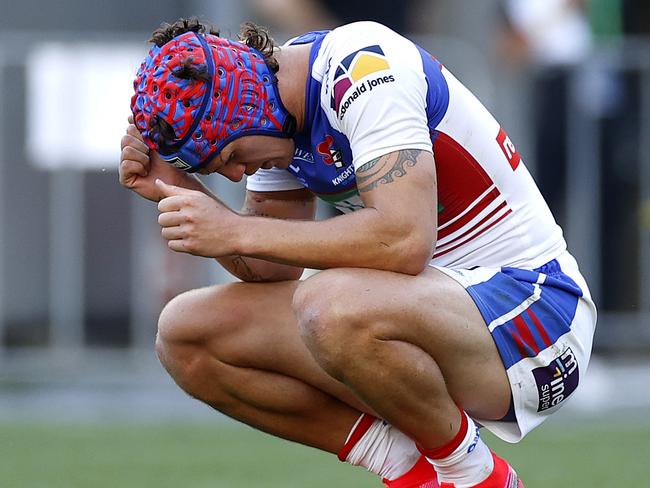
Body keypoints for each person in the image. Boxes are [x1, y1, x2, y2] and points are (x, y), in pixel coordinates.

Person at [120, 17, 597, 488]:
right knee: (187, 333)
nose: (234, 176)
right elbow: (269, 270)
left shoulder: (362, 68)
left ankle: (472, 476)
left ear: (246, 103)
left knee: (328, 305)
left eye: (228, 157)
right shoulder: (270, 115)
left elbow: (404, 241)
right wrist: (174, 186)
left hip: (537, 315)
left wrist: (235, 231)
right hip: (438, 315)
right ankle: (410, 471)